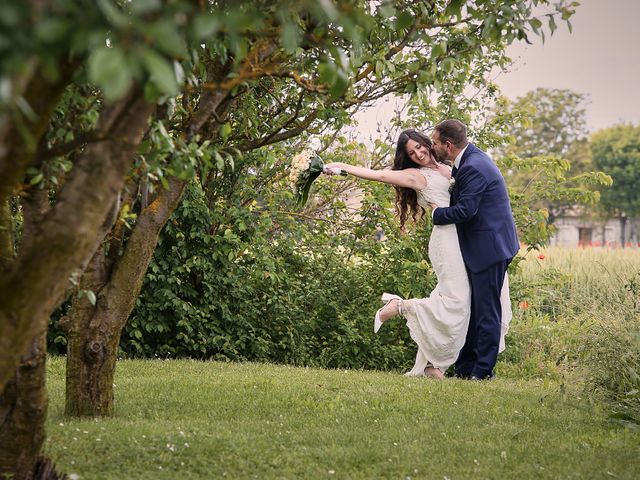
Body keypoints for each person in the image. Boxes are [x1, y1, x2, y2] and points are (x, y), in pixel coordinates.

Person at [324, 129, 511, 380]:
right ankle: (399, 306)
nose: (420, 154)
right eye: (412, 153)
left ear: (430, 143)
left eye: (421, 147)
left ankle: (434, 364)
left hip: (466, 241)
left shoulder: (451, 164)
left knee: (467, 304)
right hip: (447, 241)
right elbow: (379, 175)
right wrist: (343, 167)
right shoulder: (416, 176)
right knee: (455, 301)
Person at [430, 119, 519, 380]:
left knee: (486, 311)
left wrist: (436, 213)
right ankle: (465, 367)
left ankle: (482, 371)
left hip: (490, 249)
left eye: (434, 143)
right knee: (473, 308)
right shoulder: (468, 160)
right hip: (481, 246)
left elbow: (466, 211)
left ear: (448, 145)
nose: (432, 146)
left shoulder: (474, 167)